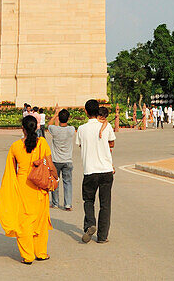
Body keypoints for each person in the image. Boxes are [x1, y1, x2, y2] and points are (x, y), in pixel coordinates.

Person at [0, 114, 52, 265]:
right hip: (40, 186)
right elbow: (50, 165)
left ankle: (27, 255)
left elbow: (10, 171)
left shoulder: (15, 146)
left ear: (23, 128)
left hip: (23, 186)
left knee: (24, 221)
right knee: (40, 219)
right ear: (36, 127)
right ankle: (40, 252)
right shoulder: (43, 144)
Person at [76, 98, 115, 244]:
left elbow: (81, 145)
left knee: (88, 200)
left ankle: (90, 224)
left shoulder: (81, 129)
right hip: (106, 170)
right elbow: (112, 143)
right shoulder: (107, 126)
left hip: (90, 171)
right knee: (105, 204)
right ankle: (102, 236)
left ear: (86, 112)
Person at [46, 108, 76, 211]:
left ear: (59, 118)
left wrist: (55, 115)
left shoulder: (55, 130)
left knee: (55, 181)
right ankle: (68, 204)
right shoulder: (71, 129)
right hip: (67, 160)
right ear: (68, 118)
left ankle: (55, 203)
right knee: (67, 182)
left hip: (56, 160)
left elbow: (49, 125)